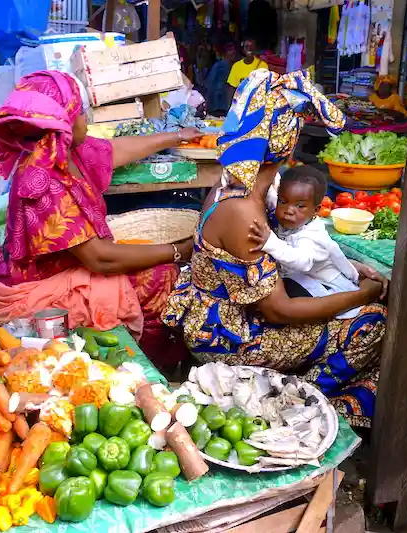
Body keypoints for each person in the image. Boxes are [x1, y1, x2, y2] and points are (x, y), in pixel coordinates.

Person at [164, 70, 389, 428]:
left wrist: (350, 269)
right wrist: (364, 294)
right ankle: (298, 408)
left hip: (213, 318)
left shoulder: (239, 188)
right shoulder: (242, 211)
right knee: (374, 322)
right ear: (286, 141)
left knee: (356, 303)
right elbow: (280, 311)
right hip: (226, 336)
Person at [0, 71, 201, 369]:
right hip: (33, 289)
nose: (85, 119)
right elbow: (101, 259)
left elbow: (114, 151)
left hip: (54, 267)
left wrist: (175, 136)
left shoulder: (60, 149)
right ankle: (146, 366)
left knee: (150, 260)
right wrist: (178, 251)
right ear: (65, 121)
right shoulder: (43, 183)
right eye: (81, 113)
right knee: (160, 277)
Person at [250, 166, 364, 320]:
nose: (288, 210)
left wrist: (271, 242)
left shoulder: (312, 236)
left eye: (300, 206)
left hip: (324, 285)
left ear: (316, 210)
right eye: (283, 201)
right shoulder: (291, 218)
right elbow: (270, 198)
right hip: (302, 276)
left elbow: (301, 262)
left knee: (286, 296)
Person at [205, 43, 237, 115]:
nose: (233, 52)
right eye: (230, 50)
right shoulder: (219, 66)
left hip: (228, 104)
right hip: (219, 105)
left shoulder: (234, 66)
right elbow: (210, 84)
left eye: (234, 50)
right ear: (225, 53)